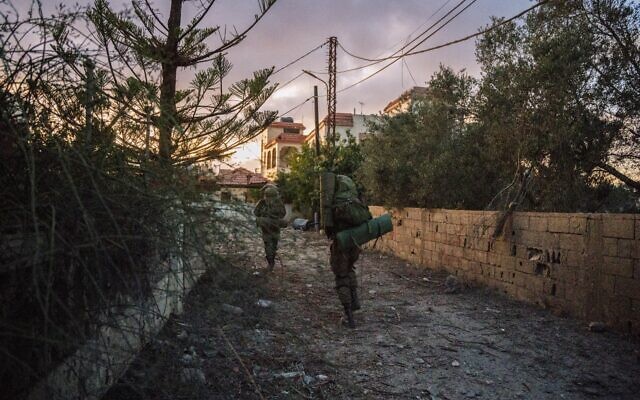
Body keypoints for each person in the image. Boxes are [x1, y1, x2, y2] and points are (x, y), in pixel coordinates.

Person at [326, 175, 371, 328]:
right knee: (350, 270)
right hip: (355, 245)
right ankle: (355, 302)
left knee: (341, 276)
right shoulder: (355, 201)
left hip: (341, 244)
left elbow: (329, 227)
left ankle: (349, 317)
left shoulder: (337, 203)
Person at [254, 185, 286, 271]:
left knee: (270, 245)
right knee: (271, 245)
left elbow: (256, 213)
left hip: (271, 227)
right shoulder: (266, 203)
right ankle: (271, 262)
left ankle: (271, 262)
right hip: (271, 227)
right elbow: (256, 212)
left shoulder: (273, 203)